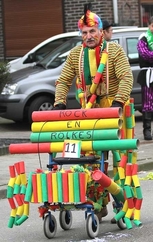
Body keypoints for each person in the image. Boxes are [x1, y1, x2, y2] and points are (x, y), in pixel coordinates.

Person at [53, 5, 133, 223]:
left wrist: (118, 101)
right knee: (90, 159)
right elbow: (63, 80)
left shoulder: (114, 50)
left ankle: (122, 203)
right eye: (84, 33)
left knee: (118, 160)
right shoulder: (75, 54)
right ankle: (98, 203)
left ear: (100, 31)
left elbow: (127, 78)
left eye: (92, 32)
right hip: (87, 115)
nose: (88, 36)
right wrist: (59, 103)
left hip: (114, 113)